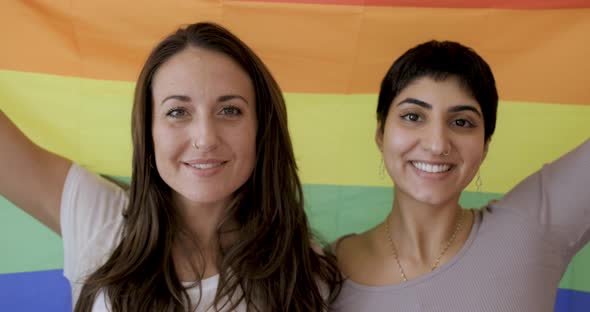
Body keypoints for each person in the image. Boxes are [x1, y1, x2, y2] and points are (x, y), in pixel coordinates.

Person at [0, 22, 340, 311]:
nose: (205, 138)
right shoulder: (99, 216)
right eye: (178, 112)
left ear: (261, 129)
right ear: (149, 131)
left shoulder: (304, 271)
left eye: (230, 110)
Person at [331, 40, 590, 311]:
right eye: (413, 116)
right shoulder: (320, 275)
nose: (437, 144)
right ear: (381, 134)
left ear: (485, 145)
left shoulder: (529, 231)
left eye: (461, 122)